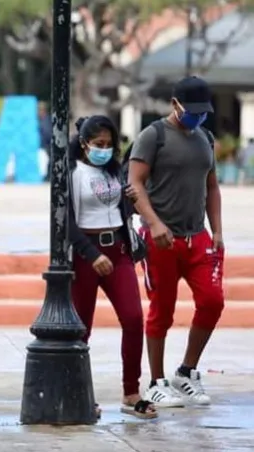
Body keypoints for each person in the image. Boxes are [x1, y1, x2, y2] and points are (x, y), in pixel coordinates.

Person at [128, 76, 224, 407]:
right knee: (162, 310)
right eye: (191, 111)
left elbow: (211, 187)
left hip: (196, 236)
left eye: (202, 112)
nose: (197, 117)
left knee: (213, 301)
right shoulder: (153, 136)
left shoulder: (206, 138)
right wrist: (153, 224)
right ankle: (156, 381)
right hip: (160, 238)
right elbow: (134, 184)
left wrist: (218, 231)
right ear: (174, 105)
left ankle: (187, 371)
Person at [68, 115, 157, 420]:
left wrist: (130, 200)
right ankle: (79, 396)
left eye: (109, 144)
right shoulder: (72, 173)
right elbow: (64, 223)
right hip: (86, 254)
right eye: (98, 144)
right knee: (82, 330)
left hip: (117, 250)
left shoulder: (114, 172)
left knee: (133, 319)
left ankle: (131, 393)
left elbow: (118, 211)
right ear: (84, 145)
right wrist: (91, 254)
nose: (104, 150)